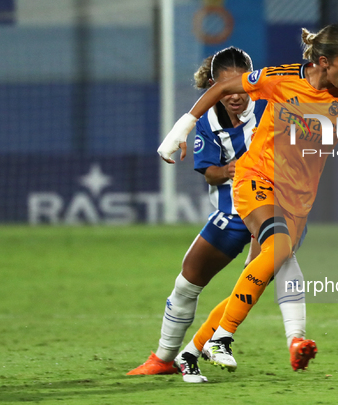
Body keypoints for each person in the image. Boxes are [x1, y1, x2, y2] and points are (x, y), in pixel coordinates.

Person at [157, 24, 338, 372]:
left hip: (297, 202)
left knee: (256, 276)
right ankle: (222, 338)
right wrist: (181, 129)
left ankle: (191, 352)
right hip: (256, 178)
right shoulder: (282, 78)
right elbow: (224, 86)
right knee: (276, 250)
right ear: (324, 61)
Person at [128, 47, 315, 383]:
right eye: (225, 87)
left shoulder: (269, 106)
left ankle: (289, 339)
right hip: (230, 214)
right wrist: (230, 168)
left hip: (270, 208)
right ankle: (164, 357)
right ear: (215, 85)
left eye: (240, 86)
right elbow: (208, 172)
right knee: (186, 282)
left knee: (262, 274)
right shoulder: (209, 121)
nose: (235, 96)